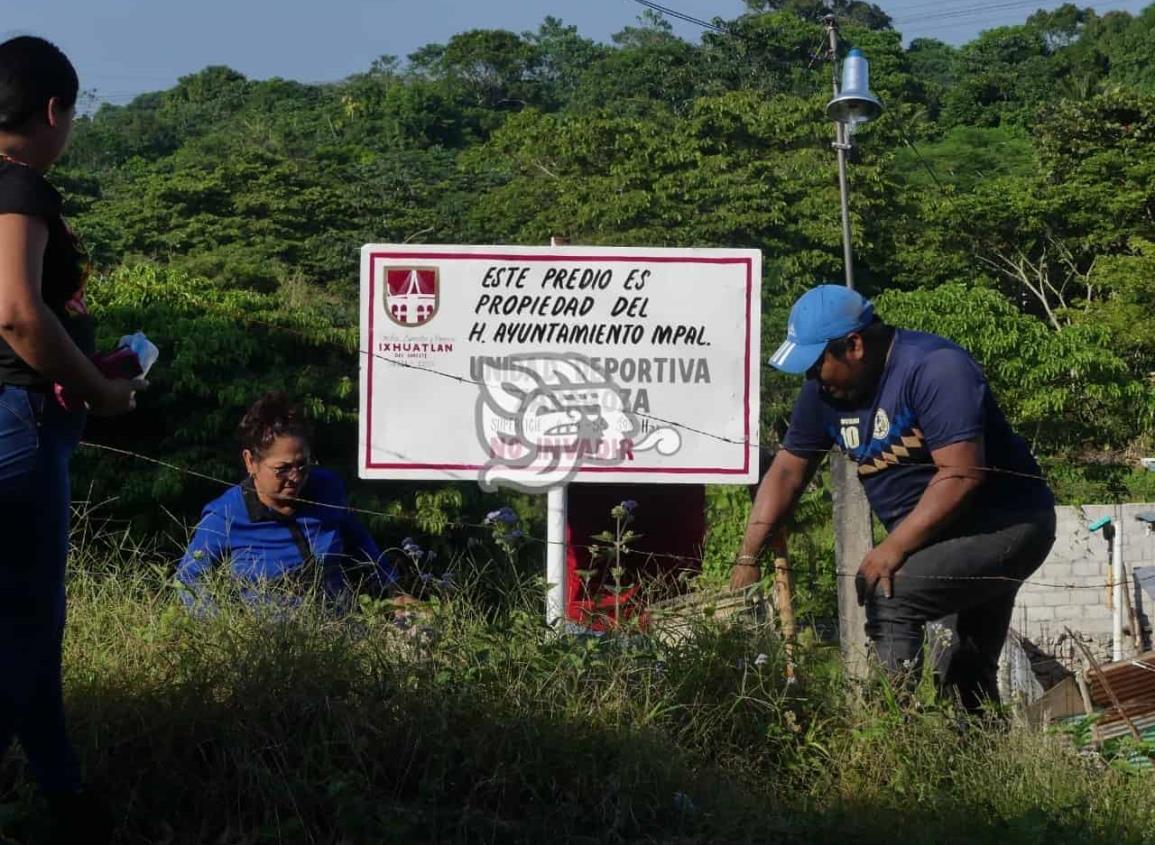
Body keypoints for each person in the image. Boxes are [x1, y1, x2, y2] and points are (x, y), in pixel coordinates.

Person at [731, 285, 1056, 711]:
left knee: (892, 592)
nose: (812, 379)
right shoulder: (823, 394)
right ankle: (977, 763)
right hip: (938, 538)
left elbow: (961, 474)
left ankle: (887, 735)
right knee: (963, 674)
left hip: (1006, 525)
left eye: (816, 364)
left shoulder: (935, 368)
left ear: (854, 345)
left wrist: (893, 548)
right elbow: (788, 472)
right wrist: (747, 559)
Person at [0, 36, 147, 843]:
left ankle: (68, 798)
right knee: (24, 634)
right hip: (18, 426)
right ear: (53, 110)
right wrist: (99, 387)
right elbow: (19, 313)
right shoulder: (19, 186)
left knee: (25, 628)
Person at [177, 393, 401, 611]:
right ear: (251, 462)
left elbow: (360, 542)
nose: (295, 477)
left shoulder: (328, 489)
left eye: (302, 465)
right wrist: (219, 631)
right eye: (282, 469)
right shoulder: (225, 515)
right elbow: (188, 579)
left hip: (340, 629)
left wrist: (393, 592)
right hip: (269, 639)